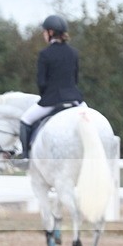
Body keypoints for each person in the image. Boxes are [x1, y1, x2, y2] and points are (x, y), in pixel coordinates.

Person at [17, 14, 86, 161]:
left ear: (50, 32)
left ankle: (25, 158)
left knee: (25, 120)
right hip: (75, 99)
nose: (44, 34)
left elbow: (41, 83)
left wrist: (45, 96)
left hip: (52, 100)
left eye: (44, 32)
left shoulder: (45, 54)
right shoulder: (74, 52)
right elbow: (75, 79)